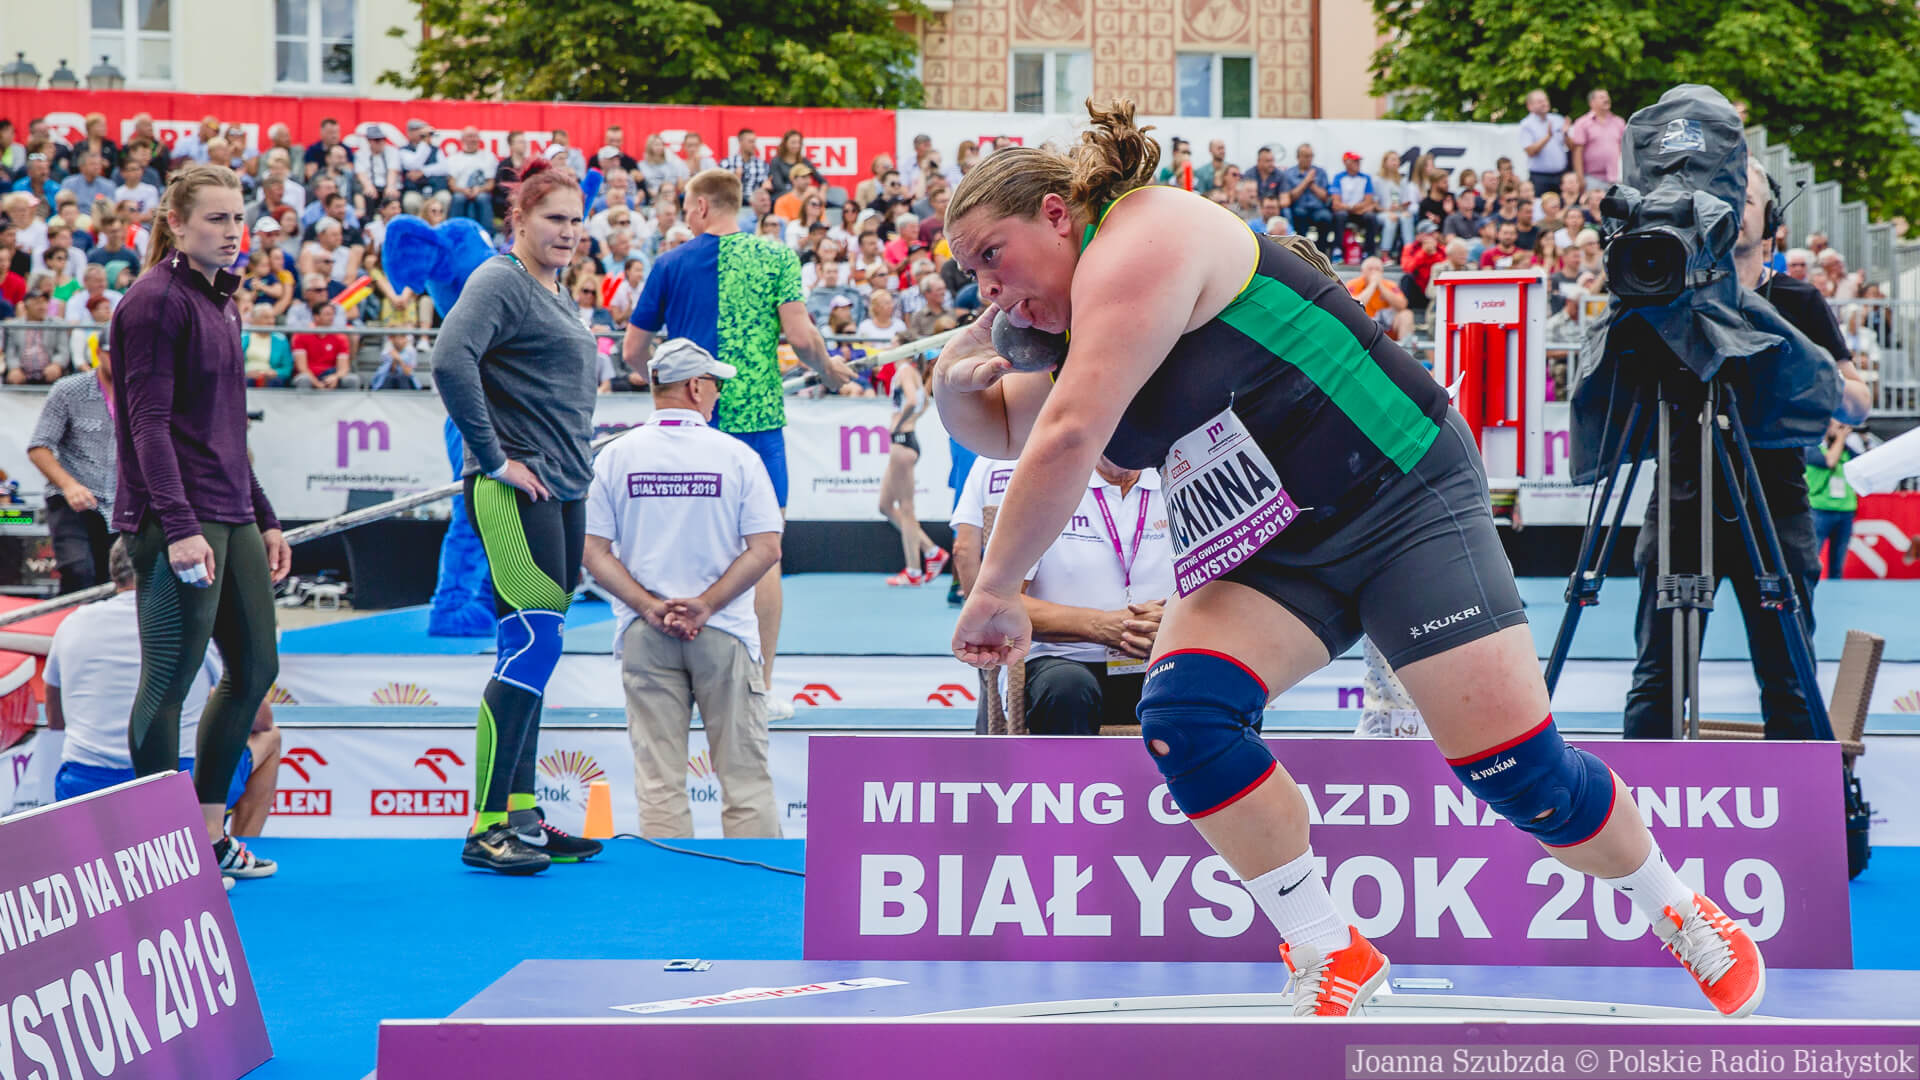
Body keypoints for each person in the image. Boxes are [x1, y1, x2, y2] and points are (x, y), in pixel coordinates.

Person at [933, 99, 1768, 1019]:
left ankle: (1679, 909)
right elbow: (1000, 425)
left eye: (992, 257)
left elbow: (1064, 437)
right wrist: (949, 381)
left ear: (1058, 214)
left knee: (1520, 773)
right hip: (1277, 541)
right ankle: (1330, 949)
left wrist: (996, 589)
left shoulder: (1142, 237)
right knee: (1186, 715)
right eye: (970, 276)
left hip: (1401, 499)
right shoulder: (1087, 331)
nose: (988, 290)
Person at [1624, 159, 1872, 741]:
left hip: (1775, 505)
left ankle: (1801, 797)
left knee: (1789, 679)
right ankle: (1640, 799)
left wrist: (1787, 344)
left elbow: (1856, 404)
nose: (1730, 208)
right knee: (1658, 680)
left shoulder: (1799, 300)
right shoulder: (1667, 292)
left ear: (1772, 220)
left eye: (1746, 197)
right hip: (1683, 503)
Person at [111, 164, 289, 879]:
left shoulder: (222, 302)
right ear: (176, 225)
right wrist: (180, 525)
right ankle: (160, 853)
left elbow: (226, 429)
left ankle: (208, 836)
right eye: (216, 218)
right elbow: (147, 425)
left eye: (238, 217)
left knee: (257, 668)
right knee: (169, 681)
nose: (233, 230)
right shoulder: (154, 302)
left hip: (230, 510)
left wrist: (265, 516)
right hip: (174, 517)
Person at [624, 168, 853, 719]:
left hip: (690, 419)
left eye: (686, 206)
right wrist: (829, 371)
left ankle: (679, 683)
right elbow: (801, 338)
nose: (685, 216)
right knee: (763, 551)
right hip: (757, 424)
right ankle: (761, 687)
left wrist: (657, 383)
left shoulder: (670, 263)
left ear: (702, 207)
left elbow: (633, 351)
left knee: (684, 542)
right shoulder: (776, 257)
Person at [432, 156, 605, 875]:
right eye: (553, 219)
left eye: (575, 221)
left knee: (535, 650)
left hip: (562, 489)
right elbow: (449, 359)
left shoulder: (554, 290)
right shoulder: (500, 279)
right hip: (513, 492)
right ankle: (487, 825)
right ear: (519, 220)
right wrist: (494, 458)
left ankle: (524, 816)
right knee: (532, 645)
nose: (567, 231)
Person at [582, 339, 785, 837]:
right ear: (695, 387)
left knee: (659, 782)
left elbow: (592, 551)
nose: (717, 394)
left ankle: (667, 878)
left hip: (645, 631)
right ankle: (754, 876)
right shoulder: (737, 456)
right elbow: (766, 549)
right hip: (724, 630)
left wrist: (649, 607)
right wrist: (706, 605)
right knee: (745, 780)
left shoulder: (615, 456)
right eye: (715, 385)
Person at [45, 537, 283, 842]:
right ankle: (229, 848)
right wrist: (215, 704)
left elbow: (56, 720)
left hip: (83, 786)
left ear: (114, 572)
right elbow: (260, 720)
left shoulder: (72, 623)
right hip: (176, 785)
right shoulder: (195, 620)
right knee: (269, 738)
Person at [1018, 457, 1172, 735]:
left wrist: (1173, 626)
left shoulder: (1179, 485)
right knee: (1068, 687)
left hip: (1162, 658)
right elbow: (999, 602)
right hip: (1064, 660)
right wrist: (1099, 625)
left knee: (1221, 683)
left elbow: (1223, 591)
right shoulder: (1043, 487)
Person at [28, 336, 116, 592]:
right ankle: (71, 616)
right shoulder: (69, 389)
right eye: (112, 353)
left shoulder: (143, 393)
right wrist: (69, 485)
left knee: (115, 580)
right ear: (98, 353)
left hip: (121, 503)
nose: (120, 360)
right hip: (73, 499)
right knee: (78, 571)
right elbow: (39, 447)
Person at [878, 349, 949, 586]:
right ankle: (932, 551)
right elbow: (923, 402)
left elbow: (911, 401)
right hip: (905, 442)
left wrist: (899, 424)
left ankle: (914, 571)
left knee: (906, 509)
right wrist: (909, 421)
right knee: (885, 505)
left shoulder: (905, 371)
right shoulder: (915, 374)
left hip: (902, 443)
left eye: (894, 344)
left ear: (903, 349)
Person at [1807, 420, 1860, 581]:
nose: (1842, 431)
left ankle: (1837, 592)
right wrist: (1840, 438)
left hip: (1845, 511)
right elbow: (1830, 461)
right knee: (1812, 559)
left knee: (1838, 564)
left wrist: (1863, 440)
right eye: (1838, 427)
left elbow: (1863, 463)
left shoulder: (1846, 450)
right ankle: (1807, 589)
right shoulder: (1812, 448)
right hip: (1819, 510)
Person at [1567, 89, 1627, 191]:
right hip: (1592, 178)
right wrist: (1580, 178)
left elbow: (1625, 149)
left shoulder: (1619, 122)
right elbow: (1577, 152)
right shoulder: (1582, 123)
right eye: (1602, 97)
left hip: (1617, 178)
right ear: (1592, 103)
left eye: (1607, 97)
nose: (1606, 99)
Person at [1519, 89, 1570, 195]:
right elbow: (1530, 151)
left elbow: (1571, 147)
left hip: (1561, 175)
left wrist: (1566, 134)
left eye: (1545, 100)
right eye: (1539, 101)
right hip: (1540, 177)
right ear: (1530, 106)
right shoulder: (1526, 124)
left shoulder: (1558, 119)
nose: (1544, 103)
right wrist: (1548, 137)